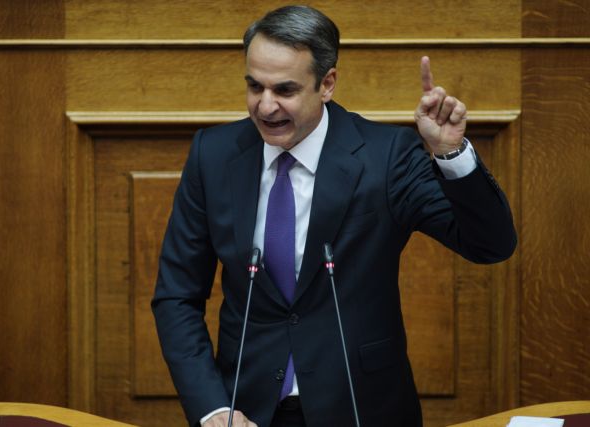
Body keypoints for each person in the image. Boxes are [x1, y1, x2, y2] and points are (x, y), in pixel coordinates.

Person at [152, 5, 516, 427]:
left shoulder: (385, 157)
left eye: (284, 90)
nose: (265, 107)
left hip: (362, 409)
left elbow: (490, 245)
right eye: (254, 86)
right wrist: (213, 408)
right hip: (245, 410)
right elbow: (177, 295)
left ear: (327, 84)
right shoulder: (213, 155)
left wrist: (450, 154)